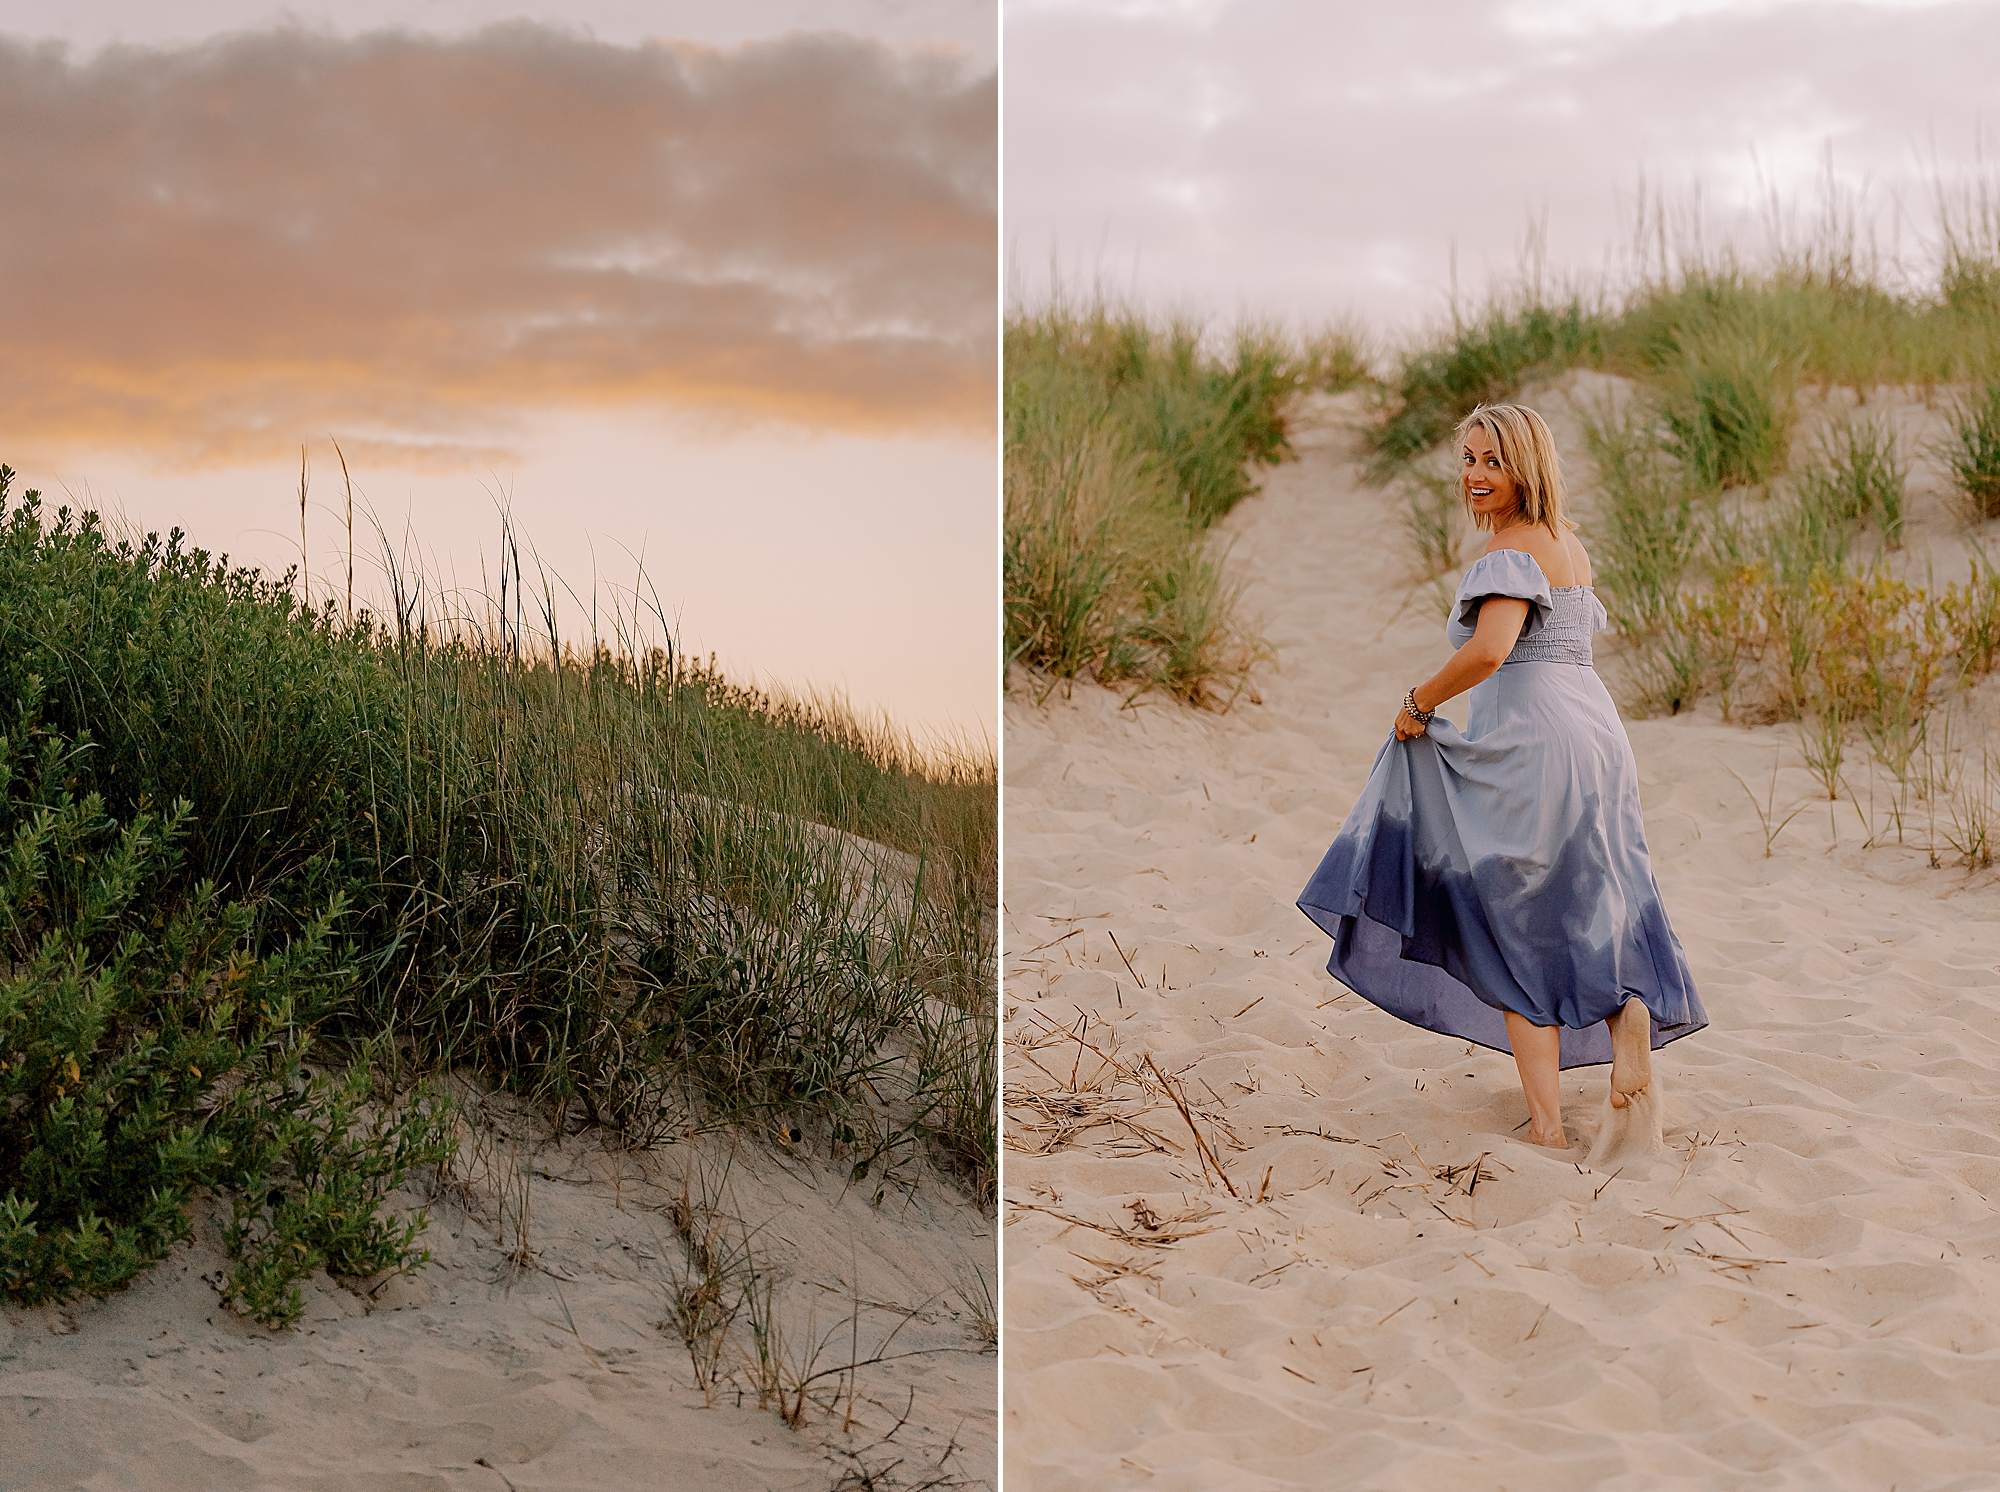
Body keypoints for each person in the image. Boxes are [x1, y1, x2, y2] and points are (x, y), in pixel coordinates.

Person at [1296, 402, 1705, 1160]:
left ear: (1528, 467)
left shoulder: (1510, 554)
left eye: (1494, 461)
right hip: (1598, 735)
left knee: (1514, 924)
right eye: (1469, 460)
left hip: (1534, 741)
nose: (1477, 476)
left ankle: (1547, 1126)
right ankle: (1628, 1015)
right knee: (1594, 897)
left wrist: (1419, 702)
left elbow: (1490, 652)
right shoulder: (1567, 546)